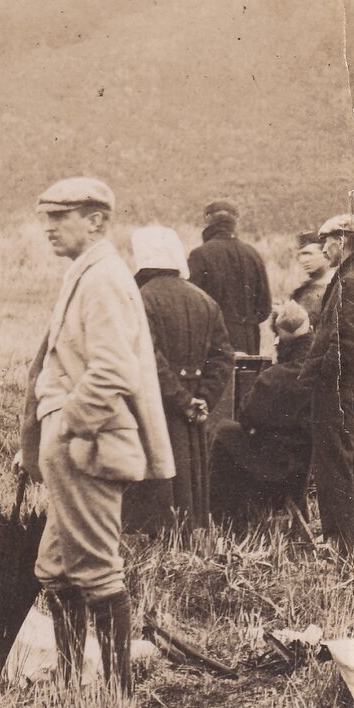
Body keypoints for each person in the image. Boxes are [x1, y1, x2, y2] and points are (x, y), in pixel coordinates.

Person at [20, 178, 174, 688]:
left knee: (96, 573)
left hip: (87, 446)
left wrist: (67, 427)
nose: (48, 228)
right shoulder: (87, 273)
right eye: (46, 217)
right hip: (73, 447)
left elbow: (112, 370)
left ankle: (116, 693)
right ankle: (70, 683)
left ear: (97, 220)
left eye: (58, 217)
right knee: (56, 569)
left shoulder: (103, 277)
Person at [122, 225, 233, 536]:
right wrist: (204, 399)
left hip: (157, 404)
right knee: (189, 479)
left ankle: (156, 543)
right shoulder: (205, 300)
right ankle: (186, 540)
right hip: (194, 405)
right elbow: (224, 358)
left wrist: (181, 400)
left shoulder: (141, 299)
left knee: (157, 477)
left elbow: (149, 359)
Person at [301, 213, 354, 553]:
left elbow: (341, 344)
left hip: (338, 393)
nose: (323, 249)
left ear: (343, 241)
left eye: (327, 242)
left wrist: (312, 380)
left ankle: (341, 546)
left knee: (336, 472)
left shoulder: (349, 283)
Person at [211, 302, 317, 531]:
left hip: (278, 466)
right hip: (307, 462)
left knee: (224, 433)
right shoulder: (323, 368)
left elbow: (247, 417)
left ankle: (228, 521)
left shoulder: (276, 378)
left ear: (281, 338)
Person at [187, 201, 273, 358]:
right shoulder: (253, 254)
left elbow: (192, 307)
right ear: (235, 222)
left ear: (208, 220)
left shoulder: (199, 255)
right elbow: (265, 308)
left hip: (213, 342)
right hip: (249, 341)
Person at [288, 233, 332, 320]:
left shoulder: (336, 289)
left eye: (309, 254)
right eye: (301, 255)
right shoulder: (303, 289)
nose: (303, 260)